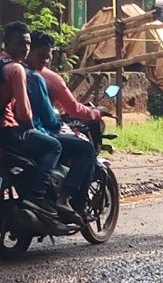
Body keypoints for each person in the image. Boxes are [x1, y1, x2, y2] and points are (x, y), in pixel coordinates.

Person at [0, 22, 75, 222]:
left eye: (27, 44)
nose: (25, 48)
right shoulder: (17, 70)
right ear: (7, 44)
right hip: (11, 131)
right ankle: (36, 196)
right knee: (54, 146)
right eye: (20, 44)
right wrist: (32, 131)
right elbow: (24, 112)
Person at [24, 32, 103, 218]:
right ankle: (66, 198)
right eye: (41, 55)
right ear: (28, 50)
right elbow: (68, 110)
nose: (45, 60)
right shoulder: (38, 78)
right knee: (86, 150)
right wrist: (95, 113)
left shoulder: (7, 69)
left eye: (48, 56)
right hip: (35, 131)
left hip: (7, 133)